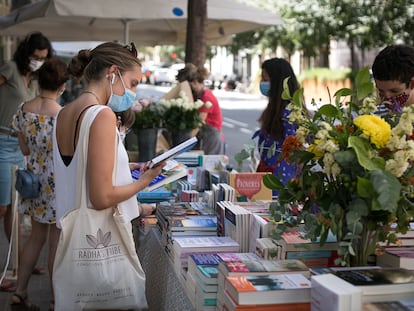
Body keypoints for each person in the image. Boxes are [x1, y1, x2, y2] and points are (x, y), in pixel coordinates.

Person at [52, 42, 163, 308]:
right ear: (112, 72)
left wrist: (126, 168)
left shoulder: (64, 111)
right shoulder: (101, 115)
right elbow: (101, 197)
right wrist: (143, 182)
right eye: (133, 83)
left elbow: (79, 167)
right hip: (99, 245)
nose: (133, 93)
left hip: (72, 243)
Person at [9, 58, 68, 311]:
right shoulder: (63, 115)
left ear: (38, 80)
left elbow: (23, 147)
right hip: (57, 184)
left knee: (35, 238)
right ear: (63, 86)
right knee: (56, 243)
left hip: (33, 181)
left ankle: (19, 291)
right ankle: (56, 300)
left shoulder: (24, 109)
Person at [0, 31, 52, 292]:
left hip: (19, 146)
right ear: (25, 53)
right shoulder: (9, 68)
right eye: (34, 57)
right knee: (2, 207)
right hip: (1, 141)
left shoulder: (33, 79)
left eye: (42, 58)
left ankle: (21, 263)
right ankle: (11, 268)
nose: (38, 61)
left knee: (13, 208)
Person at [253, 58, 304, 192]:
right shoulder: (275, 109)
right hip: (269, 176)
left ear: (277, 82)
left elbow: (295, 151)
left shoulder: (290, 113)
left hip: (281, 181)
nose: (262, 83)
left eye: (265, 79)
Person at [176, 63, 223, 155]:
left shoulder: (206, 97)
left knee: (209, 164)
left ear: (195, 82)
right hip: (206, 135)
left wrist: (185, 143)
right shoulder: (200, 95)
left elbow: (199, 123)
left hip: (211, 136)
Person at [371, 44, 414, 116]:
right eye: (381, 91)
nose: (387, 96)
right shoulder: (374, 116)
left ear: (412, 84)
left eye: (394, 91)